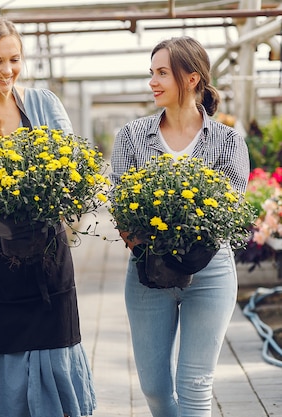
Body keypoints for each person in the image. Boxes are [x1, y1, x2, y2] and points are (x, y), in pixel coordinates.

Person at [0, 16, 96, 417]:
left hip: (47, 256)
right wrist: (7, 220)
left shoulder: (45, 104)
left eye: (14, 59)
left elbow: (70, 168)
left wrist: (46, 210)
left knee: (53, 351)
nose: (7, 71)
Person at [109, 36, 250, 416]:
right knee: (154, 388)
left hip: (210, 271)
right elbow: (120, 204)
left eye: (162, 73)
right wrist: (144, 247)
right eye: (151, 73)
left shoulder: (227, 141)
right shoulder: (131, 136)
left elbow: (230, 208)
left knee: (195, 384)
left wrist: (188, 248)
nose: (152, 82)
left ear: (191, 79)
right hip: (147, 271)